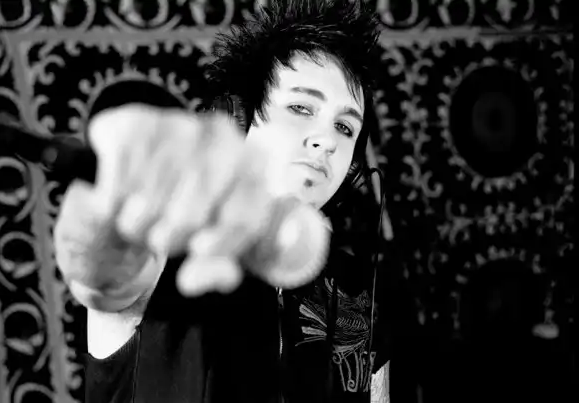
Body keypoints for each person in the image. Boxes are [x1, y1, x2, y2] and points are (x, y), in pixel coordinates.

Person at [53, 0, 390, 402]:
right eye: (301, 108)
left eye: (344, 126)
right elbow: (105, 276)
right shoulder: (167, 240)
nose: (327, 140)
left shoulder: (359, 286)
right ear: (239, 119)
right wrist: (117, 211)